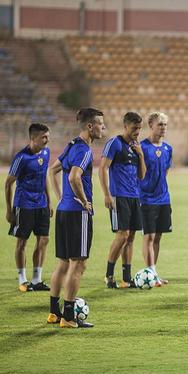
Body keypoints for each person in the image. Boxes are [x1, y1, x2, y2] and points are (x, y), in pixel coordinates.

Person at [48, 107, 106, 328]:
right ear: (90, 126)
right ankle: (69, 316)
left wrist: (61, 197)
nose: (103, 128)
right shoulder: (84, 151)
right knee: (78, 264)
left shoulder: (71, 144)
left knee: (63, 263)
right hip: (77, 214)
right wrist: (83, 200)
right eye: (100, 124)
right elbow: (74, 177)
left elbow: (52, 171)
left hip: (64, 211)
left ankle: (54, 313)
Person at [99, 112, 146, 288]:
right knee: (122, 235)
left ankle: (127, 277)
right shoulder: (114, 143)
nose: (137, 132)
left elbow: (142, 176)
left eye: (140, 128)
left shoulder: (136, 146)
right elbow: (102, 168)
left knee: (131, 237)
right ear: (125, 126)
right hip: (119, 196)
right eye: (134, 128)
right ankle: (109, 275)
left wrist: (141, 155)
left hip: (135, 197)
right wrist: (106, 194)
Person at [5, 123, 53, 292]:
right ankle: (22, 279)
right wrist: (9, 210)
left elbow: (45, 174)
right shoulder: (21, 158)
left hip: (41, 204)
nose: (47, 140)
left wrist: (49, 200)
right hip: (24, 204)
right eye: (43, 137)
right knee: (22, 242)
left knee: (44, 240)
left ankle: (37, 279)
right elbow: (8, 184)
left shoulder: (46, 152)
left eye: (48, 136)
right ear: (33, 138)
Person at [139, 112, 173, 286]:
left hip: (163, 199)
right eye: (160, 124)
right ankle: (149, 272)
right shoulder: (142, 147)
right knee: (149, 236)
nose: (163, 128)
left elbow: (166, 171)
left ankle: (153, 272)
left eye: (165, 124)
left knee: (158, 236)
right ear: (151, 125)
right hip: (146, 199)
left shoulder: (168, 148)